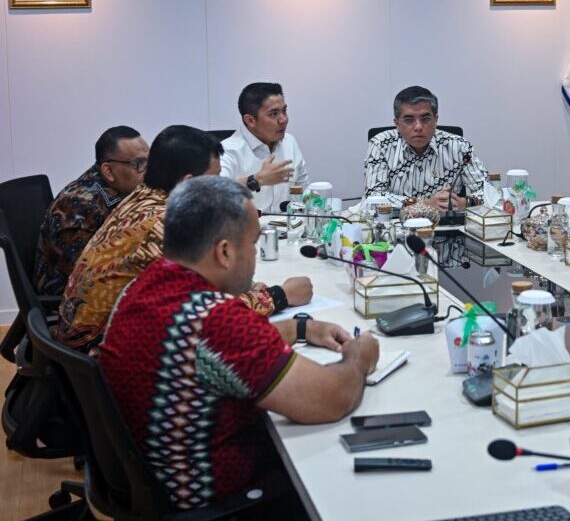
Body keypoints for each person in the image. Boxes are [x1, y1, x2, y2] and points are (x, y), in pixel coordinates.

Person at [100, 176, 379, 511]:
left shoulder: (142, 287)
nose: (255, 255)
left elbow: (212, 353)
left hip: (155, 483)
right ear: (225, 252)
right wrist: (359, 358)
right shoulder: (217, 321)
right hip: (222, 501)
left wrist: (298, 329)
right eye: (252, 244)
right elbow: (330, 398)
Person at [58, 125, 312, 354]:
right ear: (188, 183)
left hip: (89, 345)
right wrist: (279, 296)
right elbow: (207, 315)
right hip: (102, 356)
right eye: (214, 179)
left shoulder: (143, 198)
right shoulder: (164, 226)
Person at [34, 126, 149, 296]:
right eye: (139, 164)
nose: (147, 171)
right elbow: (82, 276)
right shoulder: (79, 206)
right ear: (108, 171)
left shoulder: (119, 191)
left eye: (149, 162)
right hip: (68, 301)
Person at [364, 86, 488, 210]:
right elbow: (374, 196)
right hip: (395, 225)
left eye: (425, 119)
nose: (418, 126)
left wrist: (465, 203)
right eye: (409, 120)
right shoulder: (381, 144)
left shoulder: (459, 147)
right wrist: (424, 204)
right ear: (397, 124)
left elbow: (489, 193)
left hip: (446, 225)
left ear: (436, 120)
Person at [220, 82, 309, 214]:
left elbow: (304, 190)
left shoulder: (289, 142)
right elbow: (214, 196)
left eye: (284, 111)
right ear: (250, 120)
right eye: (274, 114)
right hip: (247, 232)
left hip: (290, 230)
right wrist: (256, 180)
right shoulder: (226, 151)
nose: (283, 120)